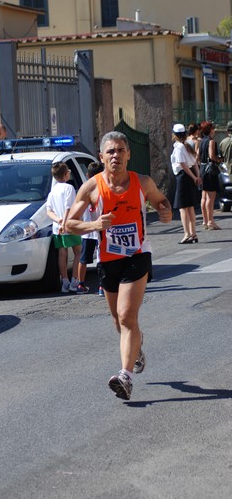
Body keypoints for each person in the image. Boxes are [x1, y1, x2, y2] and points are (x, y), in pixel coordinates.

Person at [66, 131, 172, 400]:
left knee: (126, 316)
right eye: (111, 151)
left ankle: (125, 376)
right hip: (108, 260)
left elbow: (161, 200)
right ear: (101, 157)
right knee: (119, 321)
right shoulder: (91, 188)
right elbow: (68, 224)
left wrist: (165, 210)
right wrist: (93, 224)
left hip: (137, 255)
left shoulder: (143, 182)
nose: (116, 155)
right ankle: (137, 347)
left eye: (121, 150)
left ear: (128, 154)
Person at [46, 162, 82, 294]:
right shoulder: (69, 188)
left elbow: (49, 211)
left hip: (57, 227)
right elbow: (68, 208)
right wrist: (65, 223)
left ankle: (65, 282)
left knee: (62, 254)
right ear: (66, 174)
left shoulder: (53, 191)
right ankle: (75, 280)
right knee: (78, 252)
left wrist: (59, 221)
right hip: (70, 225)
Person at [170, 123, 201, 243]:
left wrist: (194, 177)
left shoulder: (178, 147)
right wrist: (197, 176)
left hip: (183, 177)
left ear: (174, 135)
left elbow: (182, 164)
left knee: (183, 208)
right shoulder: (187, 145)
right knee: (190, 207)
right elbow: (194, 163)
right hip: (189, 177)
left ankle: (187, 234)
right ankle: (193, 233)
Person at [76, 161, 104, 294]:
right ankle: (102, 286)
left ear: (87, 175)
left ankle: (80, 284)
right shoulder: (104, 188)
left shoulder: (84, 189)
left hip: (87, 230)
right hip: (100, 230)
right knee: (101, 258)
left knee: (84, 259)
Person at [198, 121, 223, 230]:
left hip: (203, 169)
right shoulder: (211, 141)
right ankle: (210, 221)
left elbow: (197, 157)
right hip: (210, 170)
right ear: (210, 130)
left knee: (204, 196)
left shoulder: (201, 141)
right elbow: (212, 156)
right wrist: (219, 159)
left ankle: (204, 220)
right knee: (211, 197)